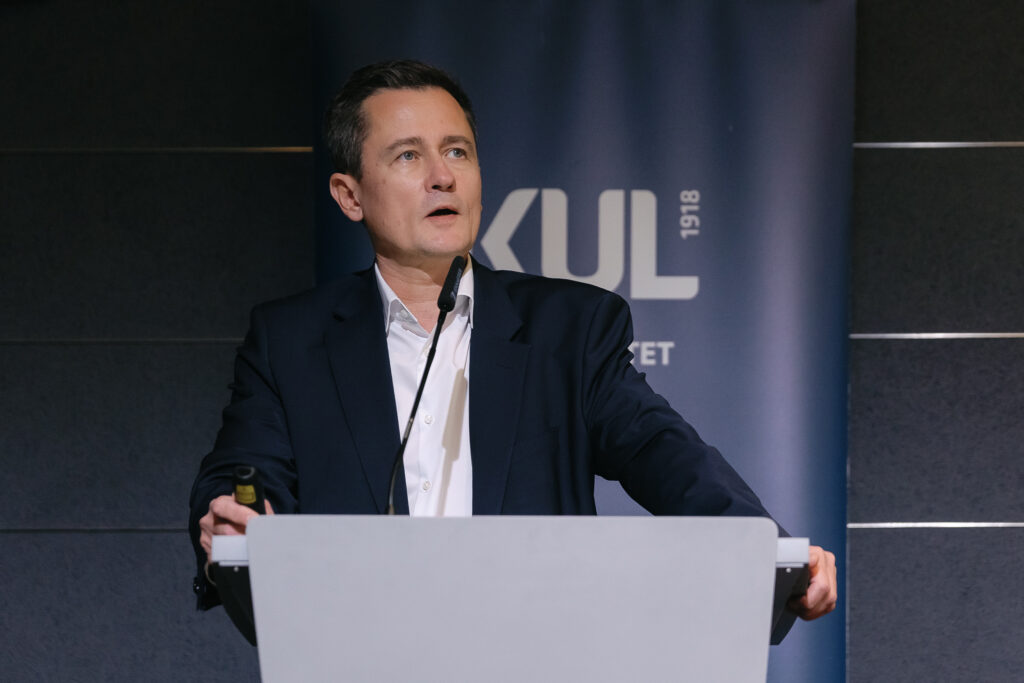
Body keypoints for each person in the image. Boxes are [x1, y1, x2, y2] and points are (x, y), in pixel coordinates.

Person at [189, 59, 837, 621]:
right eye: (408, 155)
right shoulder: (292, 340)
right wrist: (235, 518)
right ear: (349, 195)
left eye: (458, 151)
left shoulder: (570, 330)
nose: (442, 176)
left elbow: (663, 453)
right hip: (358, 648)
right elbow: (243, 469)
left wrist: (770, 552)